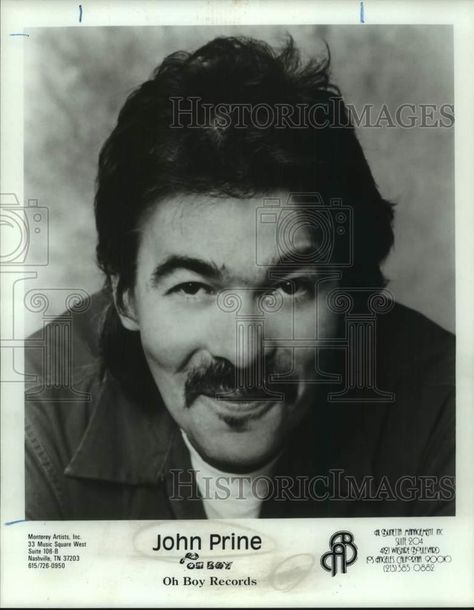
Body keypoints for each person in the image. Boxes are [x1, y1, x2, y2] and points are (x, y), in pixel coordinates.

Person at [25, 36, 455, 520]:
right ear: (125, 297)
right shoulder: (32, 411)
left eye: (289, 287)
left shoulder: (449, 402)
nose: (243, 352)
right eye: (193, 288)